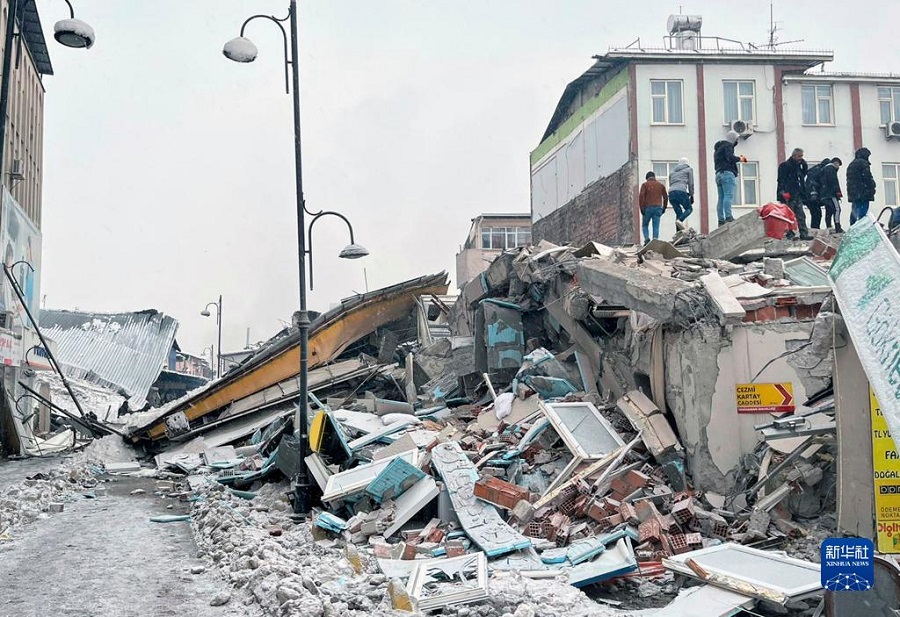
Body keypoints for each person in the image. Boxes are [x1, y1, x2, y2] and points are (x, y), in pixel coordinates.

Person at [777, 147, 811, 240]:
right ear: (794, 155)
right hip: (788, 195)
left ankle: (804, 234)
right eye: (799, 156)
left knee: (801, 215)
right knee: (789, 216)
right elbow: (781, 180)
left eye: (802, 156)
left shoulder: (798, 166)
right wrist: (783, 192)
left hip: (797, 194)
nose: (801, 158)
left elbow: (803, 175)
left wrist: (804, 164)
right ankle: (790, 234)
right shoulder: (784, 166)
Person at [713, 130, 746, 226]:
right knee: (728, 196)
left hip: (718, 174)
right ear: (733, 139)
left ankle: (721, 220)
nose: (737, 141)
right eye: (736, 139)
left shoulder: (718, 150)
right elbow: (729, 157)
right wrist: (740, 159)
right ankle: (728, 217)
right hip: (727, 174)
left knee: (721, 198)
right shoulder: (728, 146)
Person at [846, 147, 876, 225]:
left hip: (854, 193)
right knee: (862, 212)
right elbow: (867, 177)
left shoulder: (851, 164)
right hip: (863, 192)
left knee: (855, 210)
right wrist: (872, 186)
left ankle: (853, 226)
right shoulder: (863, 163)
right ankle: (860, 226)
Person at [638, 171, 667, 244]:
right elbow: (665, 197)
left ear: (647, 178)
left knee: (645, 225)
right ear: (654, 177)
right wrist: (664, 207)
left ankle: (647, 239)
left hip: (648, 208)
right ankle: (655, 241)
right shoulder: (660, 185)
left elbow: (641, 196)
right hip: (658, 208)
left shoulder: (645, 185)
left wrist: (641, 208)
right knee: (656, 226)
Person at [804, 158, 831, 230]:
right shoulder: (818, 171)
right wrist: (813, 193)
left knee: (816, 213)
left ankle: (815, 228)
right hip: (812, 197)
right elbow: (812, 183)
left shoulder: (816, 170)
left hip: (810, 196)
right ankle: (815, 229)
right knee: (816, 214)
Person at [668, 157, 694, 231]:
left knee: (678, 213)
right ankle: (680, 221)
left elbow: (671, 184)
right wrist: (691, 195)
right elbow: (691, 183)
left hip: (671, 193)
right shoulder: (689, 170)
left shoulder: (672, 172)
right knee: (689, 209)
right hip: (681, 191)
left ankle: (678, 232)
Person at [819, 157, 844, 233]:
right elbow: (834, 181)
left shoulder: (823, 170)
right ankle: (837, 226)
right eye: (838, 165)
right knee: (837, 209)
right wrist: (838, 192)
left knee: (829, 210)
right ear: (836, 163)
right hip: (831, 194)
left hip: (824, 194)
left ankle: (829, 226)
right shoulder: (831, 169)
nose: (838, 167)